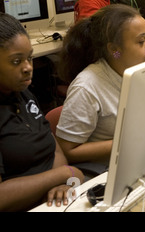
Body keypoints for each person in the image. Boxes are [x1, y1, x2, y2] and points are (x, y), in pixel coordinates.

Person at [0, 13, 84, 211]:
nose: (28, 67)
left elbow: (52, 149)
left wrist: (62, 184)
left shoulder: (24, 94)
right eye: (16, 61)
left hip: (52, 201)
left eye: (29, 57)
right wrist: (63, 174)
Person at [55, 4, 145, 166]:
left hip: (140, 160)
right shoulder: (86, 87)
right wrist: (126, 143)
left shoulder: (139, 70)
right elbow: (67, 149)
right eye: (141, 41)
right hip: (105, 171)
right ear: (115, 50)